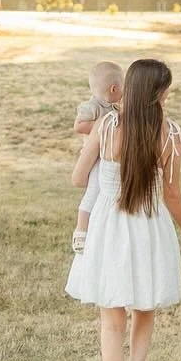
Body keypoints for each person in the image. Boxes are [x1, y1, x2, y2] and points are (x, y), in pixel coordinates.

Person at [65, 57, 181, 361]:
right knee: (144, 310)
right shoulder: (171, 134)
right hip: (149, 224)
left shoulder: (107, 125)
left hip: (109, 226)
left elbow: (80, 178)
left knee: (111, 322)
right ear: (160, 93)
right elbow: (173, 196)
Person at [71, 59, 124, 254]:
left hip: (106, 155)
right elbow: (78, 126)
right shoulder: (92, 106)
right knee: (93, 190)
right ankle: (81, 230)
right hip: (95, 157)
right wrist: (102, 126)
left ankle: (99, 225)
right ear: (113, 88)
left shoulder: (113, 107)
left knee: (105, 191)